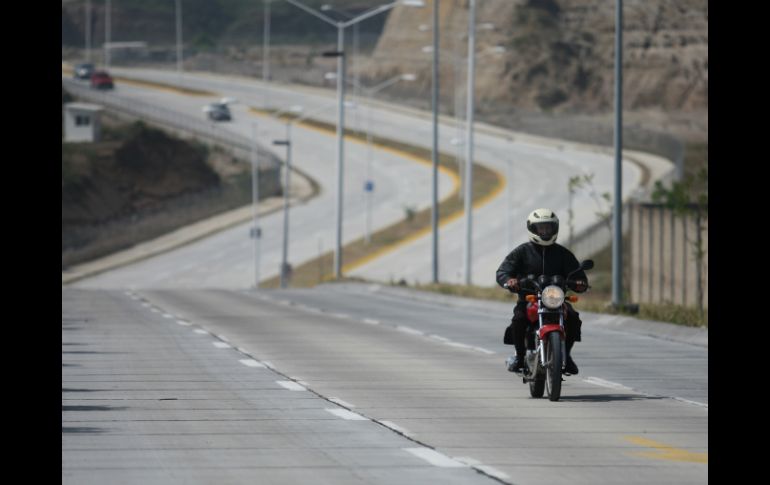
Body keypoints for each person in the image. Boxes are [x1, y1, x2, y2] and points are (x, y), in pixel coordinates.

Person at [495, 208, 588, 375]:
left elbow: (578, 275)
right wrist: (510, 280)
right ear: (533, 228)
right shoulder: (522, 252)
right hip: (529, 299)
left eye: (548, 227)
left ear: (555, 228)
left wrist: (580, 283)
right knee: (519, 319)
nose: (545, 231)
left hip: (556, 300)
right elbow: (503, 271)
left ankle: (566, 354)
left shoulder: (563, 253)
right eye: (541, 228)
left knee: (573, 318)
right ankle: (519, 356)